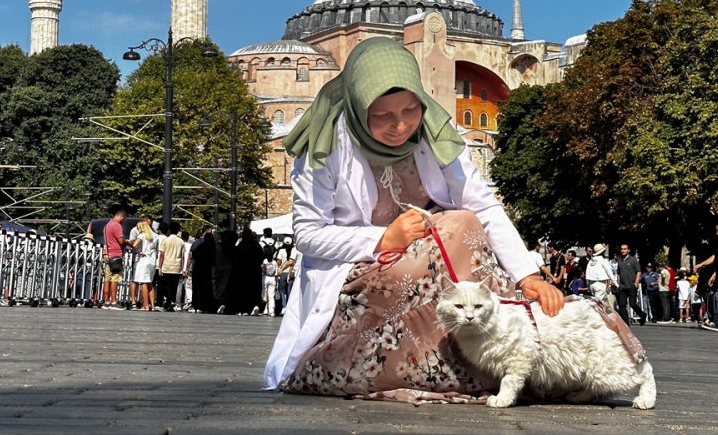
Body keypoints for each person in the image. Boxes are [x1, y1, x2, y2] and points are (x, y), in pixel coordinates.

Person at [262, 38, 564, 399]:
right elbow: (309, 235)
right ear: (359, 109)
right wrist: (382, 239)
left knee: (462, 224)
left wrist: (527, 275)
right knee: (450, 232)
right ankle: (431, 365)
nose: (400, 126)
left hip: (439, 263)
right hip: (361, 272)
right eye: (383, 116)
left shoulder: (435, 131)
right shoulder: (326, 144)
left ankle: (496, 353)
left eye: (409, 111)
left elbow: (481, 205)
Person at [130, 216, 159, 311]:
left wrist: (138, 252)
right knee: (150, 283)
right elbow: (157, 250)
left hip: (144, 260)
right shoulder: (155, 235)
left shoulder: (142, 235)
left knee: (143, 283)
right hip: (152, 260)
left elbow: (134, 245)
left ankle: (145, 305)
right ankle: (153, 306)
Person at [102, 208, 128, 309]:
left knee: (107, 278)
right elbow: (121, 241)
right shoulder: (116, 226)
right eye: (124, 219)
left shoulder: (107, 225)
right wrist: (128, 242)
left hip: (107, 254)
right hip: (115, 254)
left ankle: (106, 302)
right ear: (121, 216)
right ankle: (114, 302)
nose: (123, 221)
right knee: (115, 278)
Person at [157, 222, 185, 312]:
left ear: (170, 230)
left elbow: (162, 255)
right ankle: (172, 301)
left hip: (167, 266)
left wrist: (160, 267)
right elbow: (182, 256)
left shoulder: (165, 240)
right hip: (176, 267)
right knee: (174, 286)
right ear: (178, 231)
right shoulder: (181, 241)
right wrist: (183, 268)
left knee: (166, 286)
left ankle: (168, 302)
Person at [616, 244, 646, 326]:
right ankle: (626, 324)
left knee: (633, 304)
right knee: (622, 305)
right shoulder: (619, 260)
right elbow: (618, 272)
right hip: (622, 286)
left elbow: (638, 272)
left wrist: (636, 284)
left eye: (625, 249)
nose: (623, 250)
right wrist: (618, 282)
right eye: (622, 249)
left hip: (631, 285)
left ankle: (642, 315)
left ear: (628, 250)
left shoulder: (633, 260)